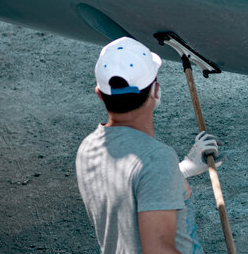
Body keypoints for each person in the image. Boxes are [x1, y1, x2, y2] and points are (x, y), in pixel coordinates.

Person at [76, 37, 223, 254]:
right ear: (156, 91)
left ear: (99, 93)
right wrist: (166, 168)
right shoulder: (157, 160)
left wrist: (180, 171)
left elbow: (128, 189)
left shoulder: (88, 148)